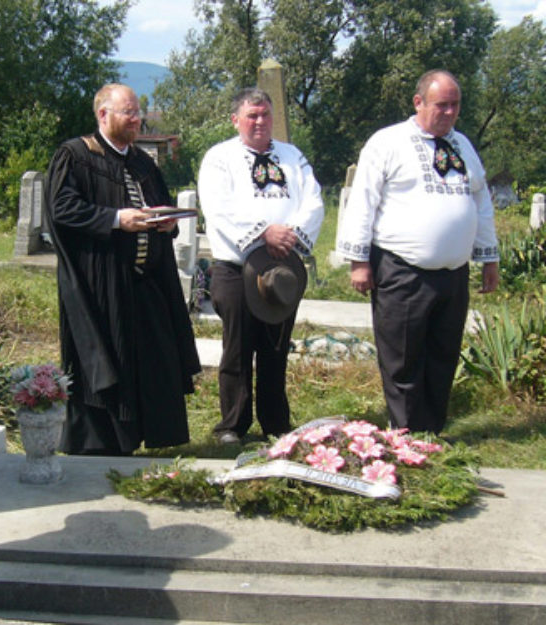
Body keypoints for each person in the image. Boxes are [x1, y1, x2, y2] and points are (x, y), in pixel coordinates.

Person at [336, 69, 499, 433]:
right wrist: (358, 261)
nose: (450, 112)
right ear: (418, 102)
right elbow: (363, 201)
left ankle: (432, 433)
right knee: (403, 359)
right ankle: (406, 436)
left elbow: (481, 202)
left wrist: (489, 258)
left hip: (453, 273)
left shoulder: (463, 146)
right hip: (402, 270)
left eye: (455, 105)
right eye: (442, 105)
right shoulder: (387, 142)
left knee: (443, 356)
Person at [44, 83, 200, 455]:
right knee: (107, 362)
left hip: (147, 285)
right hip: (100, 286)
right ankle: (103, 447)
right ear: (103, 115)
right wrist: (116, 219)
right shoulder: (75, 156)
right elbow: (62, 209)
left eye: (137, 113)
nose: (136, 120)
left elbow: (161, 206)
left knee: (152, 360)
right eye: (128, 112)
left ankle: (149, 435)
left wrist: (166, 222)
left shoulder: (142, 162)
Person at [197, 87, 324, 444]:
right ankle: (232, 426)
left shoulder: (291, 156)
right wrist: (264, 232)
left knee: (275, 348)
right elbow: (218, 208)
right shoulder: (219, 158)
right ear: (236, 119)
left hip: (282, 267)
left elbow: (313, 200)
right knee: (237, 348)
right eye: (251, 115)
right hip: (236, 267)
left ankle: (276, 424)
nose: (259, 121)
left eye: (265, 114)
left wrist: (291, 235)